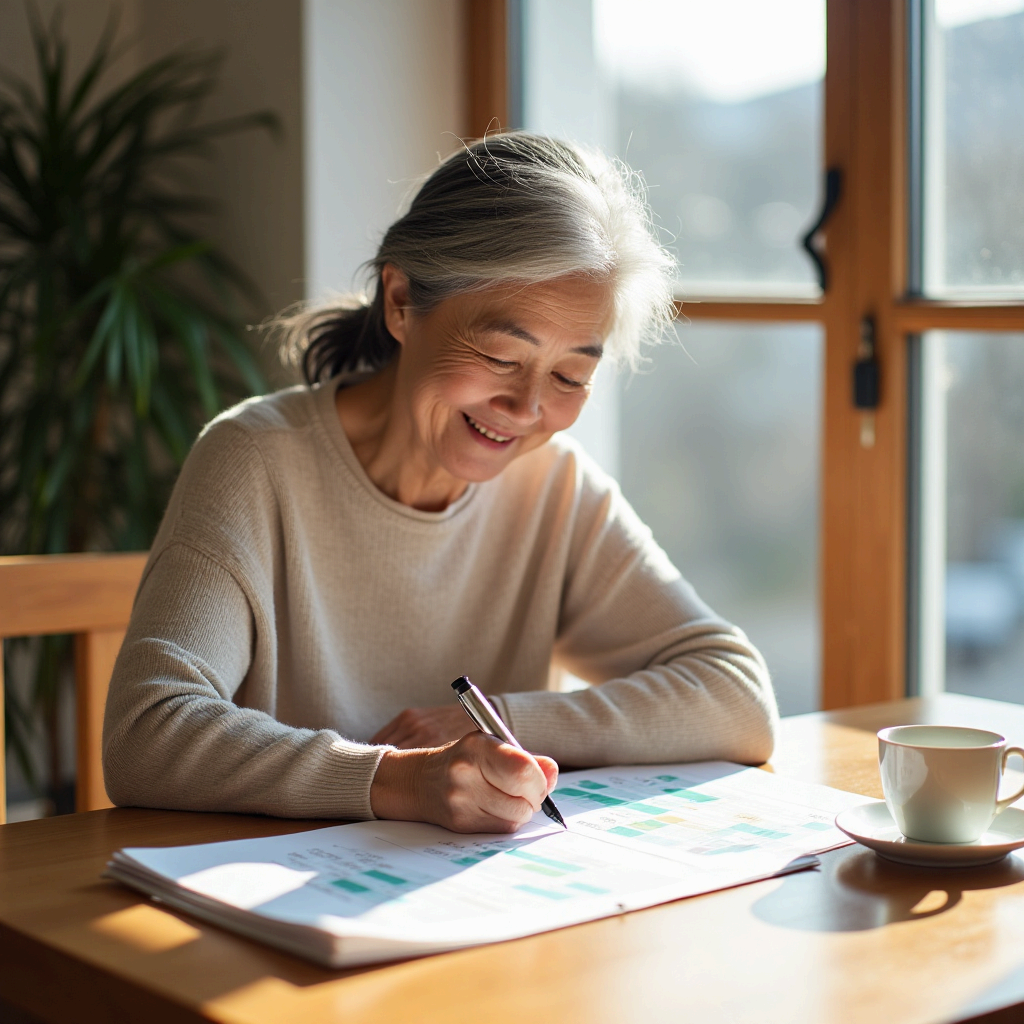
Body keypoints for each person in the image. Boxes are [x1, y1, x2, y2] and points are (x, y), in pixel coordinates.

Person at [103, 133, 777, 834]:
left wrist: (498, 720)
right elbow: (146, 733)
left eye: (571, 376)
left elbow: (737, 699)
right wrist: (398, 780)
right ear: (399, 301)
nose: (527, 409)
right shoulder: (256, 462)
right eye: (500, 355)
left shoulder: (554, 486)